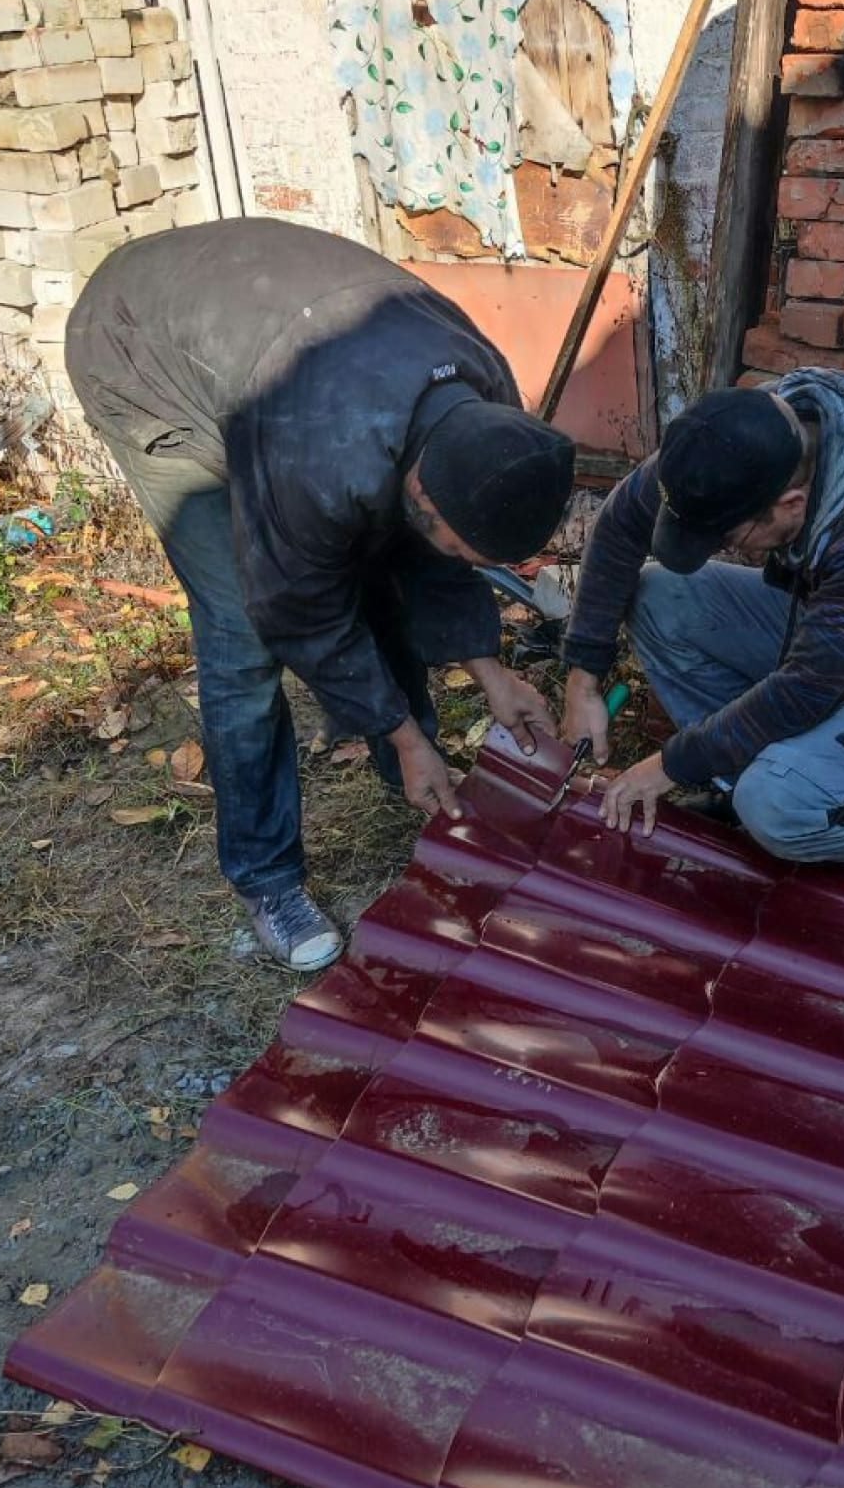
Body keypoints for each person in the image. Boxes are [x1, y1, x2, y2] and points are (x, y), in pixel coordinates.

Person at [66, 218, 575, 971]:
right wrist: (405, 734)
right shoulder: (328, 461)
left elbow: (436, 561)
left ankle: (407, 766)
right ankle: (268, 879)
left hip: (267, 336)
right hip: (145, 358)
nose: (455, 554)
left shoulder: (487, 403)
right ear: (419, 486)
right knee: (243, 631)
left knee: (392, 554)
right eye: (455, 539)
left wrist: (491, 674)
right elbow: (298, 608)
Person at [559, 371, 844, 900]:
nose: (715, 549)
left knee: (775, 805)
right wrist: (583, 679)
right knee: (660, 596)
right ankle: (748, 775)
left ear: (792, 504)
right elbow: (621, 524)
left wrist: (671, 764)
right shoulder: (745, 438)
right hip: (834, 631)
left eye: (728, 538)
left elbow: (804, 690)